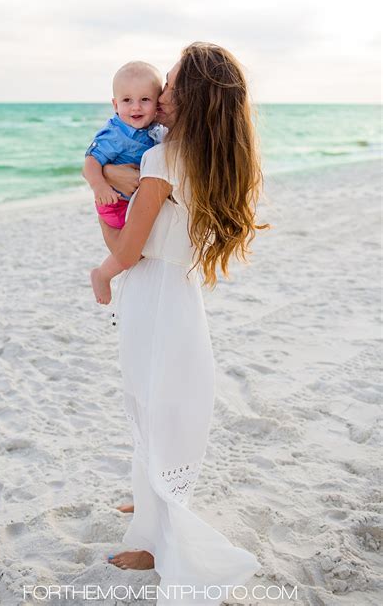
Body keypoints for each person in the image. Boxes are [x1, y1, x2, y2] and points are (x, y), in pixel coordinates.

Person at [98, 42, 269, 604]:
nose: (161, 95)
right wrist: (118, 177)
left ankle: (155, 541)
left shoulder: (161, 159)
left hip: (151, 294)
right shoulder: (200, 152)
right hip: (179, 297)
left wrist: (101, 266)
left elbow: (127, 248)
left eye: (169, 85)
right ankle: (150, 504)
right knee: (157, 404)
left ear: (190, 96)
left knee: (149, 403)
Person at [83, 61, 167, 305]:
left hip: (131, 200)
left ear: (157, 103)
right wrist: (99, 186)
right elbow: (90, 162)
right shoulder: (115, 133)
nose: (136, 107)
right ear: (115, 104)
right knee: (133, 252)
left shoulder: (154, 129)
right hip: (114, 201)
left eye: (145, 99)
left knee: (144, 245)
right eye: (127, 100)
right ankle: (102, 274)